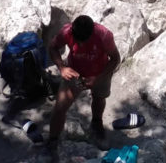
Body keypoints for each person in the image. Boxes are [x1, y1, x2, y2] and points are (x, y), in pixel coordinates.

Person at [46, 15, 120, 153]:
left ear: (91, 34)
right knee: (60, 107)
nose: (79, 45)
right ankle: (53, 140)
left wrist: (97, 79)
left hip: (100, 72)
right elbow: (53, 47)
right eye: (77, 41)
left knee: (99, 98)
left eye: (83, 41)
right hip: (74, 72)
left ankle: (97, 124)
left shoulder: (104, 35)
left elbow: (115, 58)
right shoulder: (67, 32)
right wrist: (62, 67)